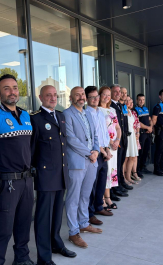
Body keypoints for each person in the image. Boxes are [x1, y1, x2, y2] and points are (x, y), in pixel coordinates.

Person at [0, 74, 35, 265]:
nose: (12, 92)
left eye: (14, 87)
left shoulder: (26, 115)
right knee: (3, 229)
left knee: (24, 224)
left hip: (27, 180)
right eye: (6, 88)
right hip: (7, 183)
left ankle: (22, 259)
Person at [30, 85, 76, 265]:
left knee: (57, 214)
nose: (52, 98)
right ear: (40, 97)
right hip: (45, 175)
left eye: (55, 95)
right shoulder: (35, 118)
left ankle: (56, 243)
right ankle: (44, 257)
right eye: (48, 95)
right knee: (43, 219)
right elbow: (32, 149)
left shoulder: (61, 116)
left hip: (60, 173)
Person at [63, 86, 102, 249]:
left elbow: (95, 135)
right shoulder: (67, 114)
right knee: (73, 198)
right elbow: (71, 140)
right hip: (77, 162)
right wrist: (89, 153)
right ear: (71, 98)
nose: (81, 97)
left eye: (82, 94)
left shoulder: (87, 113)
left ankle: (84, 223)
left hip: (91, 161)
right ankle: (73, 232)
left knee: (85, 195)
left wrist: (97, 150)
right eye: (77, 95)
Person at [85, 86, 113, 227]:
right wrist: (102, 151)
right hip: (94, 154)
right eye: (92, 97)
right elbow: (92, 137)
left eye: (97, 96)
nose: (96, 99)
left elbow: (104, 134)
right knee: (92, 185)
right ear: (87, 99)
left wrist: (107, 150)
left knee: (102, 182)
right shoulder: (86, 114)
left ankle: (98, 207)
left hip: (104, 153)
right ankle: (90, 214)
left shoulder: (100, 113)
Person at [98, 86, 121, 210]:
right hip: (104, 145)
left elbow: (117, 127)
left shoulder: (112, 110)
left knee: (111, 171)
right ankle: (101, 199)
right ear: (99, 95)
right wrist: (111, 141)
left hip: (113, 146)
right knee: (104, 173)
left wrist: (117, 140)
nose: (106, 97)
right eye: (104, 94)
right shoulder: (97, 110)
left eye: (108, 95)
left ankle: (108, 197)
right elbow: (100, 131)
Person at [109, 85, 132, 197]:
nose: (118, 93)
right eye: (116, 91)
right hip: (115, 141)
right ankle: (114, 188)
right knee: (116, 164)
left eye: (120, 91)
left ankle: (121, 182)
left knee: (121, 161)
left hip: (122, 138)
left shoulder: (120, 105)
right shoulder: (111, 105)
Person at [134, 94, 153, 174]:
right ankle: (137, 170)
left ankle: (143, 167)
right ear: (136, 100)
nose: (141, 101)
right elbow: (138, 122)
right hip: (141, 133)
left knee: (146, 151)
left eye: (143, 99)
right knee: (140, 152)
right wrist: (147, 128)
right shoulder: (135, 109)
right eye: (140, 100)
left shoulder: (145, 108)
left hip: (148, 133)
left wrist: (151, 127)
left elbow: (150, 119)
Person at [124, 96, 140, 185]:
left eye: (129, 100)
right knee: (125, 158)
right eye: (126, 100)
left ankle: (128, 176)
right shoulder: (123, 111)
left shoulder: (131, 111)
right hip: (126, 136)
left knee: (132, 157)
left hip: (132, 136)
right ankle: (124, 178)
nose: (127, 102)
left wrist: (137, 133)